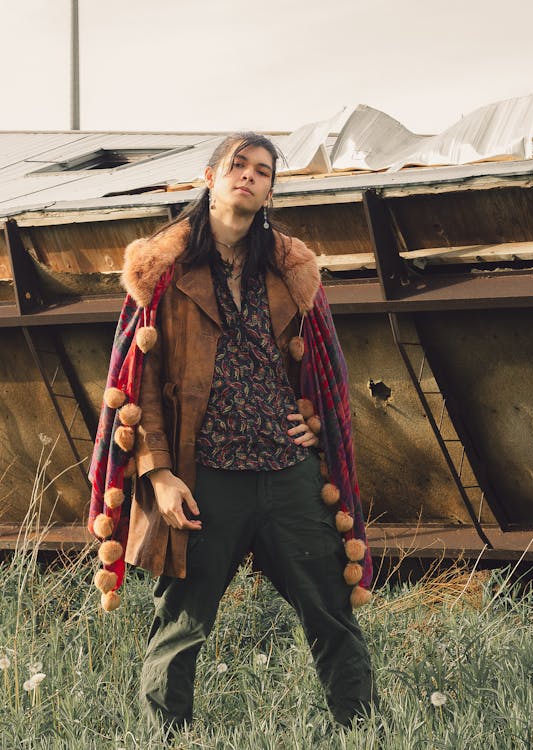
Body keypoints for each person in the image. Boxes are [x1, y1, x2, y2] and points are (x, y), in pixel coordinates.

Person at [87, 132, 377, 733]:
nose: (249, 176)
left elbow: (322, 368)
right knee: (184, 621)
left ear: (271, 190)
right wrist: (158, 472)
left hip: (287, 471)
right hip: (205, 477)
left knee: (330, 610)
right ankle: (168, 736)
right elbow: (142, 380)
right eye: (238, 165)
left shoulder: (288, 270)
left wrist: (314, 424)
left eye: (263, 171)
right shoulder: (167, 271)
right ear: (211, 175)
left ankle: (364, 730)